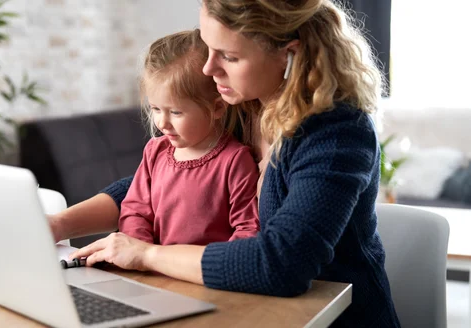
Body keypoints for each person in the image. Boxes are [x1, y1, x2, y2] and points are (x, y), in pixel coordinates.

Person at [53, 0, 401, 326]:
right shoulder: (241, 104)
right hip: (245, 305)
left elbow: (282, 264)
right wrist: (58, 225)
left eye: (229, 57)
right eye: (208, 48)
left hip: (329, 318)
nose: (209, 68)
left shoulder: (336, 132)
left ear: (288, 54)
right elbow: (166, 180)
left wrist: (146, 255)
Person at [120, 29, 260, 246]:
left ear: (217, 107)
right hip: (153, 272)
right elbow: (134, 211)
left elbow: (248, 228)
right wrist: (140, 253)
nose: (162, 123)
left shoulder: (235, 161)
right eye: (156, 109)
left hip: (202, 275)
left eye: (175, 112)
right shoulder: (154, 151)